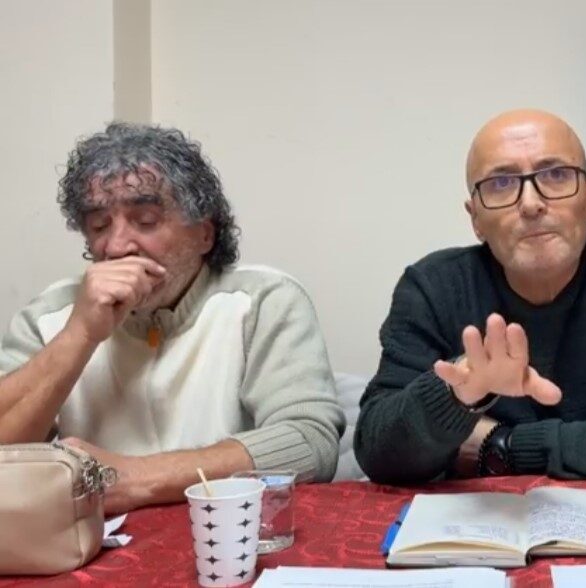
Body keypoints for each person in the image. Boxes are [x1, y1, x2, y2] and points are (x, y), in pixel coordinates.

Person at [0, 123, 344, 513]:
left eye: (146, 221)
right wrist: (79, 335)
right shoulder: (48, 316)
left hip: (229, 536)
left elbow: (309, 442)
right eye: (99, 226)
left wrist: (136, 479)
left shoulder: (263, 301)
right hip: (88, 544)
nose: (116, 246)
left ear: (204, 235)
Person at [355, 109, 586, 484]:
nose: (531, 204)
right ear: (475, 219)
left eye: (555, 175)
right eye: (501, 183)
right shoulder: (432, 285)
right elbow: (377, 450)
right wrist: (458, 394)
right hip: (476, 517)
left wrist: (499, 445)